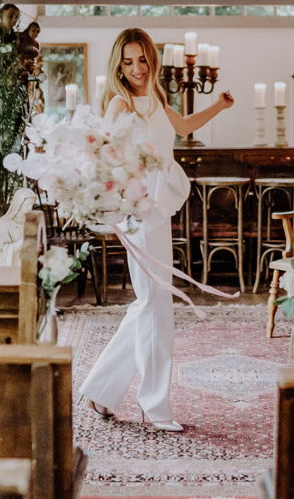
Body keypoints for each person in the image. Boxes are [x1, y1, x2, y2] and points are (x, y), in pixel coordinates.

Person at [78, 28, 234, 432]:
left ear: (152, 59)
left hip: (158, 207)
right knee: (156, 306)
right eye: (127, 62)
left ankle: (100, 390)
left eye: (142, 60)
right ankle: (155, 404)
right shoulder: (119, 102)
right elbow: (104, 156)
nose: (136, 69)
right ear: (118, 65)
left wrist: (218, 106)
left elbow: (181, 128)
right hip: (137, 207)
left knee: (150, 303)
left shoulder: (159, 98)